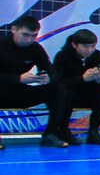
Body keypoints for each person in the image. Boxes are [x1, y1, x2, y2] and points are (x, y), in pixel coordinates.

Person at [0, 14, 61, 149]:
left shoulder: (36, 49)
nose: (29, 40)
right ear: (14, 30)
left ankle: (50, 134)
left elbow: (53, 72)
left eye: (34, 36)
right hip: (2, 92)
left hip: (20, 93)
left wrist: (48, 79)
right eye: (25, 35)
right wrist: (18, 79)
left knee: (58, 90)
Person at [48, 29, 100, 146]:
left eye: (93, 46)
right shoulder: (62, 56)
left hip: (87, 94)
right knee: (65, 93)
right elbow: (57, 83)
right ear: (74, 45)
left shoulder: (98, 56)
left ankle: (93, 131)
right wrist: (82, 79)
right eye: (85, 46)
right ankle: (63, 129)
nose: (89, 50)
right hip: (68, 94)